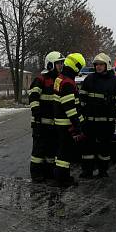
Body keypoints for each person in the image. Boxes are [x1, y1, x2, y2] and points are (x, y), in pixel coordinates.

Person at [78, 53, 116, 178]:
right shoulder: (89, 79)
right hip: (90, 121)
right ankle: (87, 171)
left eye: (101, 64)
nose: (98, 67)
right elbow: (81, 98)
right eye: (96, 64)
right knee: (88, 148)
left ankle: (103, 171)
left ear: (107, 65)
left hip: (107, 122)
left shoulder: (115, 81)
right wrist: (81, 114)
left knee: (105, 148)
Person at [50, 53, 87, 187]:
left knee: (61, 152)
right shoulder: (68, 83)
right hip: (66, 124)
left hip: (60, 122)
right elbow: (70, 108)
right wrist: (77, 125)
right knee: (65, 153)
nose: (80, 71)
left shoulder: (60, 78)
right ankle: (62, 180)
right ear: (76, 66)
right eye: (80, 68)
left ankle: (62, 177)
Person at [28, 51, 65, 181]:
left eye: (62, 63)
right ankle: (36, 175)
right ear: (50, 65)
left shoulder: (59, 80)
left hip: (53, 124)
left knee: (51, 151)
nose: (61, 65)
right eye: (58, 63)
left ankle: (49, 174)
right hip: (41, 123)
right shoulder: (41, 80)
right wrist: (37, 113)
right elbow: (33, 97)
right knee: (38, 151)